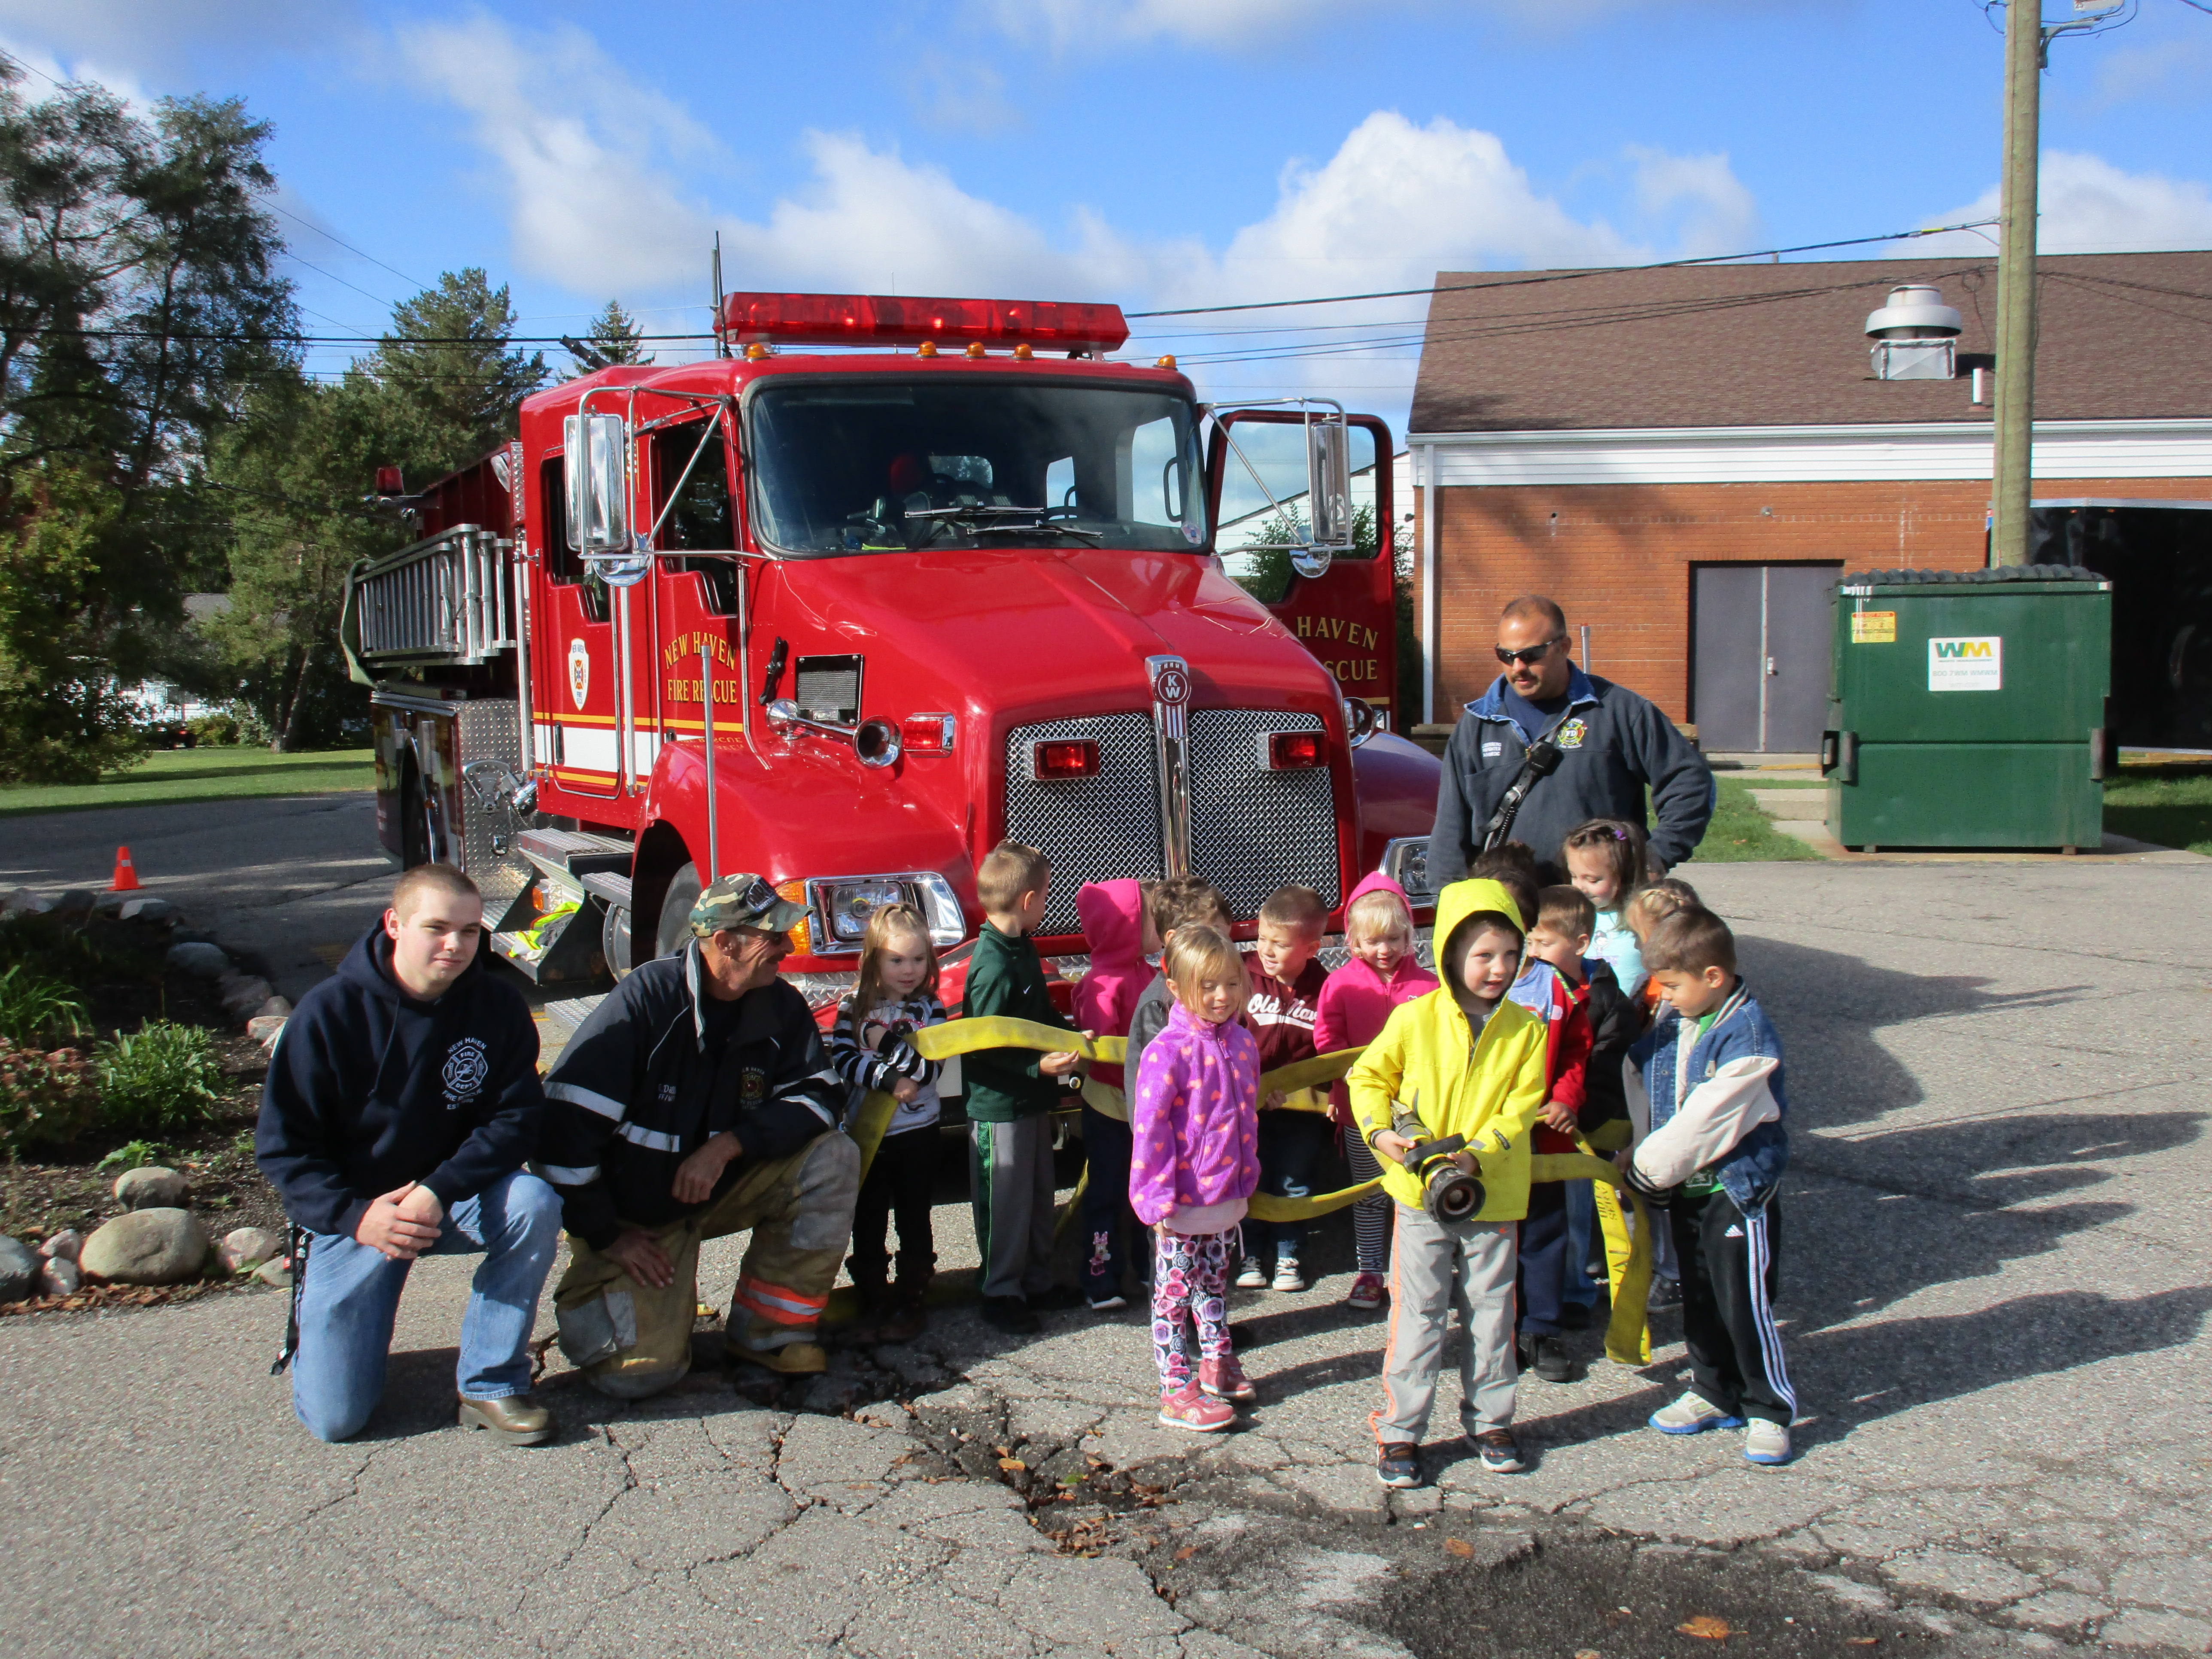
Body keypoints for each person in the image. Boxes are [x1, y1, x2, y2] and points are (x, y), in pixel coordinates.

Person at [257, 865, 559, 1445]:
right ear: (394, 924)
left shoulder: (496, 1006)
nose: (456, 945)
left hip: (449, 1197)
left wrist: (436, 1190)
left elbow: (516, 1120)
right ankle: (327, 1338)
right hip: (358, 1213)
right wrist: (357, 1217)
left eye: (471, 932)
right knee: (337, 1421)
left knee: (533, 1202)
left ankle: (490, 1383)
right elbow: (283, 1149)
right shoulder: (327, 1014)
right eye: (438, 927)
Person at [538, 874, 858, 1398]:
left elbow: (820, 1097)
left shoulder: (779, 1005)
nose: (785, 946)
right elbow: (563, 1132)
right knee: (640, 1378)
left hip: (719, 1187)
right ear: (726, 943)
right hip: (634, 1218)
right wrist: (607, 1236)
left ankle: (769, 1334)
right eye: (771, 936)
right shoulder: (646, 1001)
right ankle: (598, 1289)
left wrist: (728, 1145)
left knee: (834, 1157)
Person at [1348, 879, 1550, 1487]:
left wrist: (1477, 1156)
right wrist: (1383, 1137)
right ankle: (1402, 1430)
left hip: (1493, 1193)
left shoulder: (1527, 1028)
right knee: (1420, 1314)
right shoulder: (1414, 1018)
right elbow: (1366, 1079)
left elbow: (1521, 1106)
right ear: (1450, 953)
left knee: (1492, 1313)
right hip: (1419, 1199)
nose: (1499, 968)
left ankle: (1491, 1419)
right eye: (1484, 955)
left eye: (1511, 955)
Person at [1623, 908, 1796, 1466]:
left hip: (1733, 1191)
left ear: (1713, 977)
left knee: (1743, 1301)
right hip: (1687, 1189)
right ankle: (1711, 1388)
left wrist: (1646, 1169)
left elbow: (1710, 1117)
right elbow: (1646, 1079)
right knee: (1699, 1293)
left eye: (1672, 984)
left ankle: (1768, 1407)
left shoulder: (1747, 1038)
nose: (1664, 995)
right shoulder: (1676, 1017)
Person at [1429, 595, 1714, 885]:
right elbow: (1451, 827)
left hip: (1599, 907)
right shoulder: (1477, 725)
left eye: (1531, 655)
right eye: (1506, 656)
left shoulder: (1618, 712)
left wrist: (1658, 854)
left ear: (1564, 647)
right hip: (1507, 910)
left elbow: (1690, 782)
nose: (1518, 667)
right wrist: (1449, 901)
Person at [1128, 925, 1262, 1432]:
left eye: (1230, 983)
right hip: (1180, 1200)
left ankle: (1216, 1360)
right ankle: (1174, 1387)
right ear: (1179, 987)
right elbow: (1149, 1128)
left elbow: (1245, 1116)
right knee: (1173, 1293)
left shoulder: (1243, 1044)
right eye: (1208, 986)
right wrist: (1155, 1198)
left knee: (1214, 1279)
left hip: (1224, 1192)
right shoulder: (1168, 1051)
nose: (1222, 996)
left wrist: (1247, 1173)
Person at [963, 840, 1088, 1335]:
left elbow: (1036, 1015)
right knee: (1006, 1202)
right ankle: (1000, 1291)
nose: (1047, 903)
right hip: (1000, 1107)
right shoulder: (992, 964)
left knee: (1037, 1195)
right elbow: (985, 1043)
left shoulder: (1022, 946)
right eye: (1046, 896)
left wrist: (1068, 1037)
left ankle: (1035, 1281)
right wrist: (1038, 1067)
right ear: (1029, 900)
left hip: (1032, 1102)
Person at [1520, 885, 1639, 1354]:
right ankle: (1531, 1300)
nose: (1533, 954)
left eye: (1544, 945)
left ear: (1582, 945)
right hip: (1529, 1124)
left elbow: (1605, 1070)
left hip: (1575, 1128)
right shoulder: (1526, 990)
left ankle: (1573, 1294)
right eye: (1529, 944)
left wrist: (1576, 1113)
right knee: (1533, 1217)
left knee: (1572, 1215)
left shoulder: (1607, 1003)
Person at [825, 902, 950, 1344]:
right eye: (896, 959)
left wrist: (884, 1042)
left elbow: (930, 1071)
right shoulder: (852, 1007)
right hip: (867, 1135)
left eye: (918, 959)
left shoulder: (931, 1009)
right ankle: (873, 1296)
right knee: (869, 1214)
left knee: (914, 1213)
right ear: (874, 959)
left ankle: (912, 1293)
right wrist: (888, 1077)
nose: (908, 970)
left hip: (918, 1133)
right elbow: (842, 1060)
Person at [1315, 872, 1439, 1311]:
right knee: (1368, 1193)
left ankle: (1417, 1271)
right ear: (1353, 942)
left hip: (1419, 1111)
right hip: (1361, 1111)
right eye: (1372, 941)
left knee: (1418, 1192)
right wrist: (1345, 1081)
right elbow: (1328, 1041)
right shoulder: (1340, 985)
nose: (1383, 950)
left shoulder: (1429, 987)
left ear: (1409, 936)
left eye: (1393, 939)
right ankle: (1370, 1271)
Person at [1501, 889, 1594, 1385]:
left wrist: (1566, 1098)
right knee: (1494, 1238)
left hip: (1544, 1137)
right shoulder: (1464, 986)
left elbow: (1578, 1052)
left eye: (1525, 939)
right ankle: (1499, 1328)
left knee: (1543, 1233)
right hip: (1489, 1145)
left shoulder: (1556, 989)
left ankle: (1541, 1327)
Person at [1236, 883, 1331, 1294]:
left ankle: (1289, 1252)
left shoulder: (1327, 989)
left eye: (1280, 943)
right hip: (1248, 1107)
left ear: (1312, 949)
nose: (1267, 951)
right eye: (1262, 939)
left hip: (1301, 1113)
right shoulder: (1242, 976)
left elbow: (1336, 1048)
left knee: (1294, 1180)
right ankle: (1251, 1253)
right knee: (1250, 1178)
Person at [1073, 878, 1156, 1312]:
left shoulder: (1149, 972)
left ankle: (1150, 1266)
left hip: (1148, 1104)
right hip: (1110, 1104)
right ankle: (1100, 1274)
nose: (1158, 922)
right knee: (1107, 1192)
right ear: (1126, 928)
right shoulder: (1102, 984)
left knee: (1150, 1191)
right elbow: (1101, 1049)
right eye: (1148, 917)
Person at [1127, 878, 1233, 1078]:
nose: (1222, 948)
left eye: (1226, 938)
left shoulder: (1224, 988)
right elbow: (1154, 1080)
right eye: (1211, 937)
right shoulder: (1158, 1003)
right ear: (1173, 939)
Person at [1562, 818, 1650, 999]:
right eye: (1574, 876)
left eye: (1593, 880)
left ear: (1624, 875)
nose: (1580, 887)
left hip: (1632, 1016)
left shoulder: (1644, 917)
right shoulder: (1569, 915)